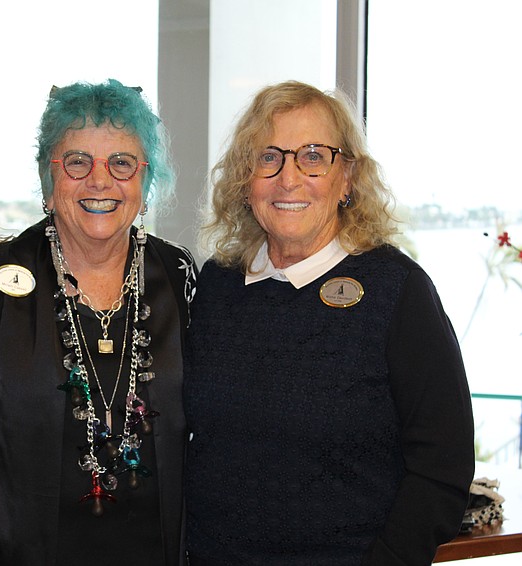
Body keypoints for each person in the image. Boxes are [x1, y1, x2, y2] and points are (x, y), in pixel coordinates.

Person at [184, 81, 474, 565]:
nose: (289, 178)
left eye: (313, 157)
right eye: (268, 157)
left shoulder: (397, 290)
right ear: (244, 179)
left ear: (348, 179)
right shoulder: (217, 284)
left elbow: (441, 470)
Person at [0, 79, 197, 565]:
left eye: (122, 163)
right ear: (50, 180)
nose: (100, 181)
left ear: (145, 184)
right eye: (77, 161)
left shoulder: (179, 276)